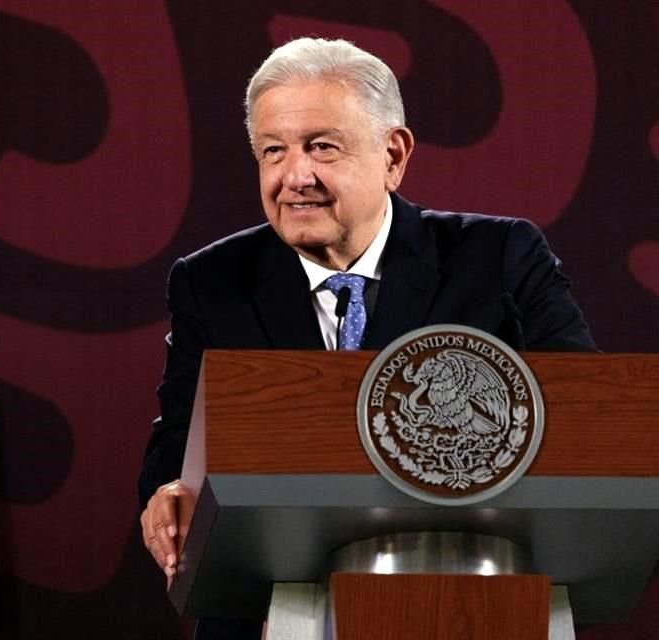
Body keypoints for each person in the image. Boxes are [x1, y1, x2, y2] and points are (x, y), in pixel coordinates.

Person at [138, 37, 595, 639]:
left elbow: (586, 421)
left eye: (321, 146)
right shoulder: (210, 282)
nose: (294, 176)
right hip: (271, 614)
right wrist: (168, 493)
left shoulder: (499, 258)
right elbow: (178, 445)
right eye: (273, 151)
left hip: (472, 602)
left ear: (394, 154)